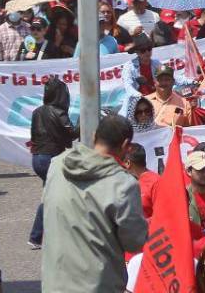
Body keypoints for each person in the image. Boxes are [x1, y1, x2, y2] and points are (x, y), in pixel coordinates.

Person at [42, 115, 148, 293]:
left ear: (94, 136)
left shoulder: (57, 164)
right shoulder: (123, 184)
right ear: (125, 145)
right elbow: (134, 242)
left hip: (55, 283)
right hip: (98, 285)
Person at [27, 76, 75, 249]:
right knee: (53, 198)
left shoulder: (37, 112)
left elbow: (34, 137)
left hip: (37, 159)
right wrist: (85, 122)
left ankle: (44, 235)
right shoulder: (59, 112)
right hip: (51, 159)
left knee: (52, 195)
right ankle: (36, 236)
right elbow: (71, 134)